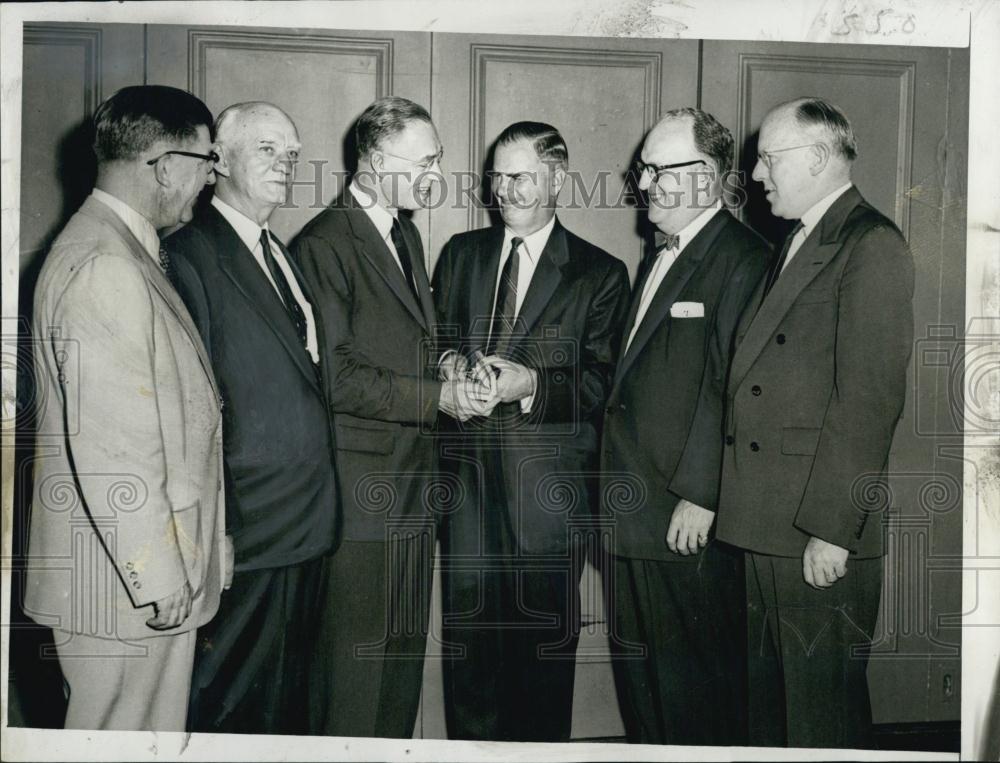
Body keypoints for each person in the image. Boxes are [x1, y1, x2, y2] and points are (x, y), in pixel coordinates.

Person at [715, 97, 914, 749]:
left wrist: (833, 531)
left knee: (818, 715)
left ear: (821, 157)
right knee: (773, 710)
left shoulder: (870, 243)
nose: (760, 175)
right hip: (767, 518)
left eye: (770, 159)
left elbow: (868, 402)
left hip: (815, 529)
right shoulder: (796, 239)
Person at [24, 85, 225, 731]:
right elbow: (115, 446)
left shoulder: (116, 244)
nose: (208, 180)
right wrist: (156, 572)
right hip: (122, 586)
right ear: (166, 166)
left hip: (124, 576)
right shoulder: (107, 264)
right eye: (205, 162)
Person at [292, 96, 486, 738]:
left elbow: (402, 344)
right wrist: (439, 399)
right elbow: (337, 377)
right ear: (375, 162)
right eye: (426, 161)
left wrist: (449, 364)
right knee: (355, 673)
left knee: (399, 664)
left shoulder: (401, 228)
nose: (437, 174)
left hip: (411, 486)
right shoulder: (325, 243)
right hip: (361, 494)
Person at [433, 121, 631, 742]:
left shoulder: (600, 273)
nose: (504, 190)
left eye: (520, 176)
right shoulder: (460, 255)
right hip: (466, 490)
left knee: (541, 657)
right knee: (469, 657)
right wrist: (450, 370)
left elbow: (602, 386)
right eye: (497, 175)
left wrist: (532, 386)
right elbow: (435, 345)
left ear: (557, 179)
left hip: (547, 498)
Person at [163, 101, 337, 735]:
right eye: (267, 149)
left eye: (290, 153)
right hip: (249, 528)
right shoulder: (187, 253)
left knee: (287, 705)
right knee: (231, 705)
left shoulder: (280, 253)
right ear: (218, 162)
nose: (285, 164)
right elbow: (190, 409)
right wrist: (221, 527)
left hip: (305, 524)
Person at [601, 108, 770, 746]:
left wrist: (702, 493)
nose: (643, 184)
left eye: (657, 170)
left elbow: (735, 386)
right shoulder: (663, 252)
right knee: (645, 688)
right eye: (642, 170)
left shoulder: (742, 259)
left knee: (693, 694)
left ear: (705, 176)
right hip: (636, 508)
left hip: (683, 515)